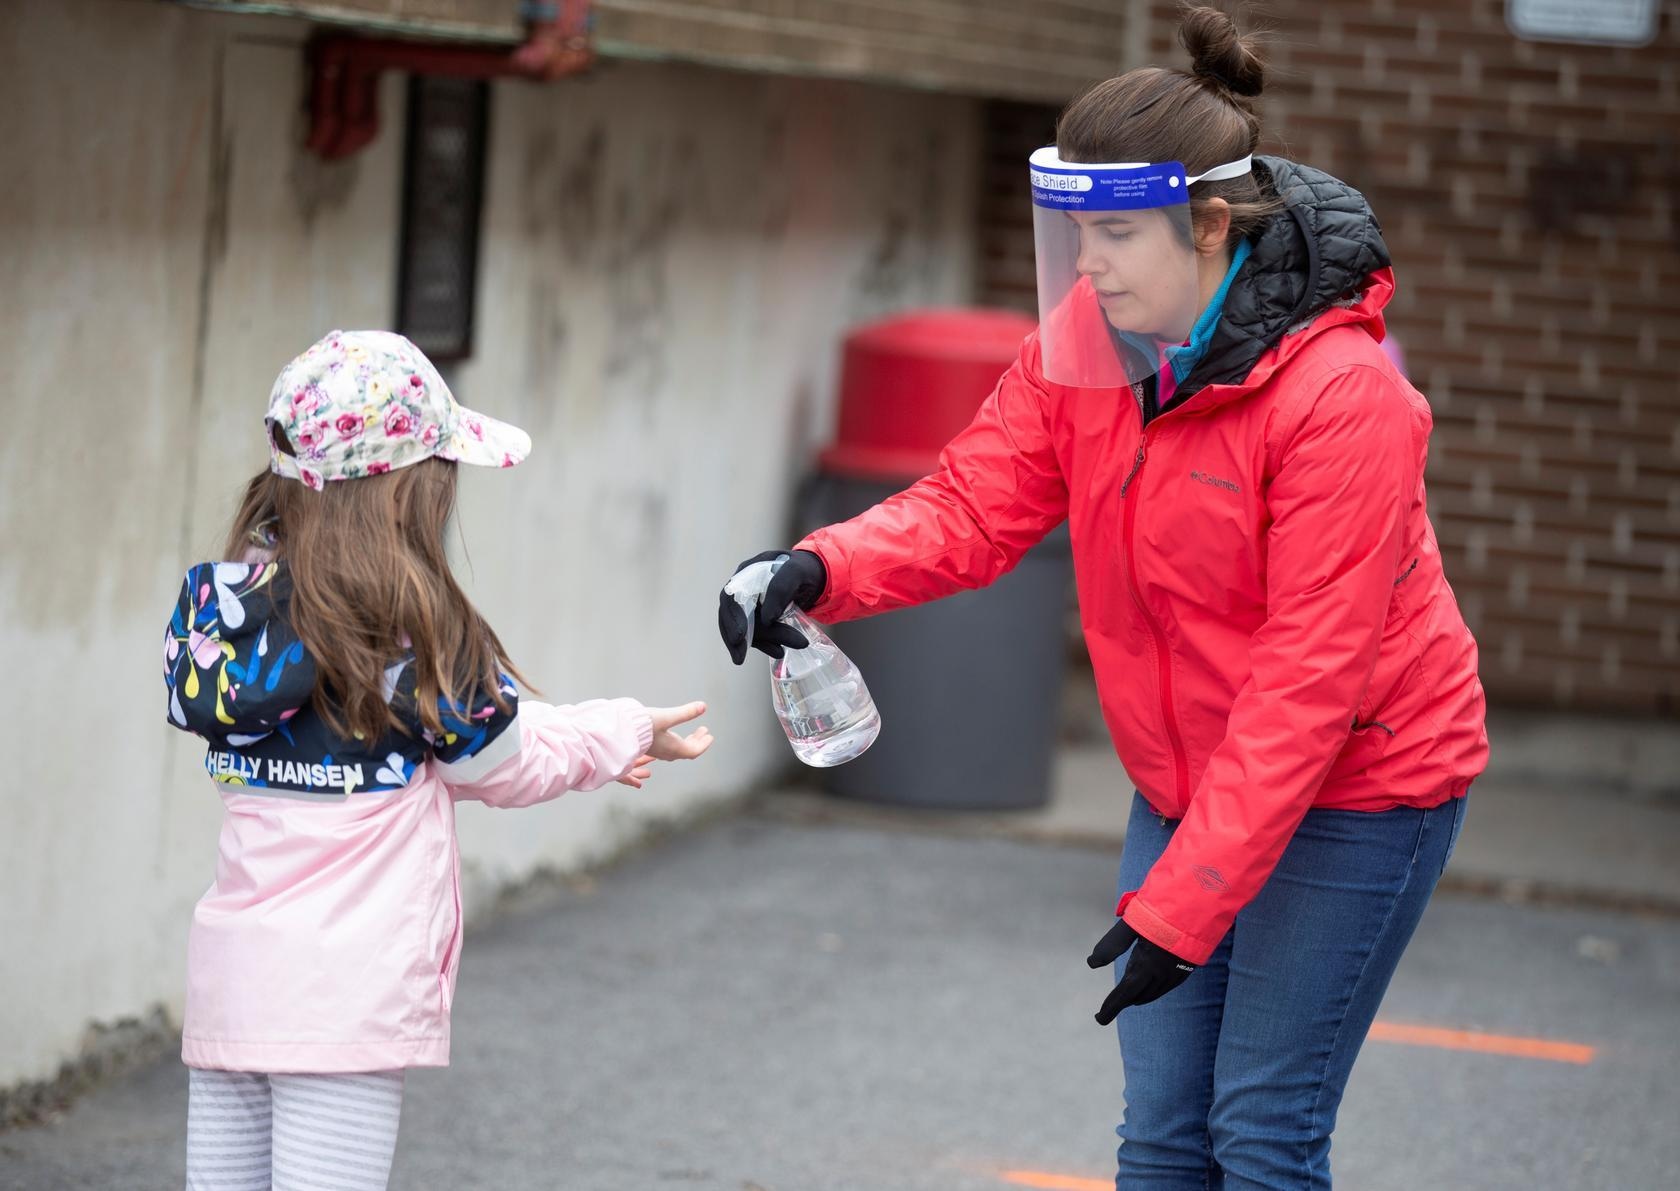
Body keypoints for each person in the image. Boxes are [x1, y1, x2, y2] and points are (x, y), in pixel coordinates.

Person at [716, 8, 1487, 1188]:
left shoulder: (1343, 399)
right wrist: (819, 565)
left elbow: (1308, 682)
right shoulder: (1093, 339)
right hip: (1185, 778)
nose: (1086, 266)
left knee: (1262, 1136)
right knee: (1164, 1138)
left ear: (1211, 226)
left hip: (1358, 787)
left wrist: (1185, 905)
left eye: (1117, 233)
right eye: (1072, 231)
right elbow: (977, 506)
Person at [166, 329, 713, 1190]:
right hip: (339, 1002)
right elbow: (505, 762)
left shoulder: (228, 616)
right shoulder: (410, 633)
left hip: (231, 984)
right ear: (403, 494)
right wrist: (622, 730)